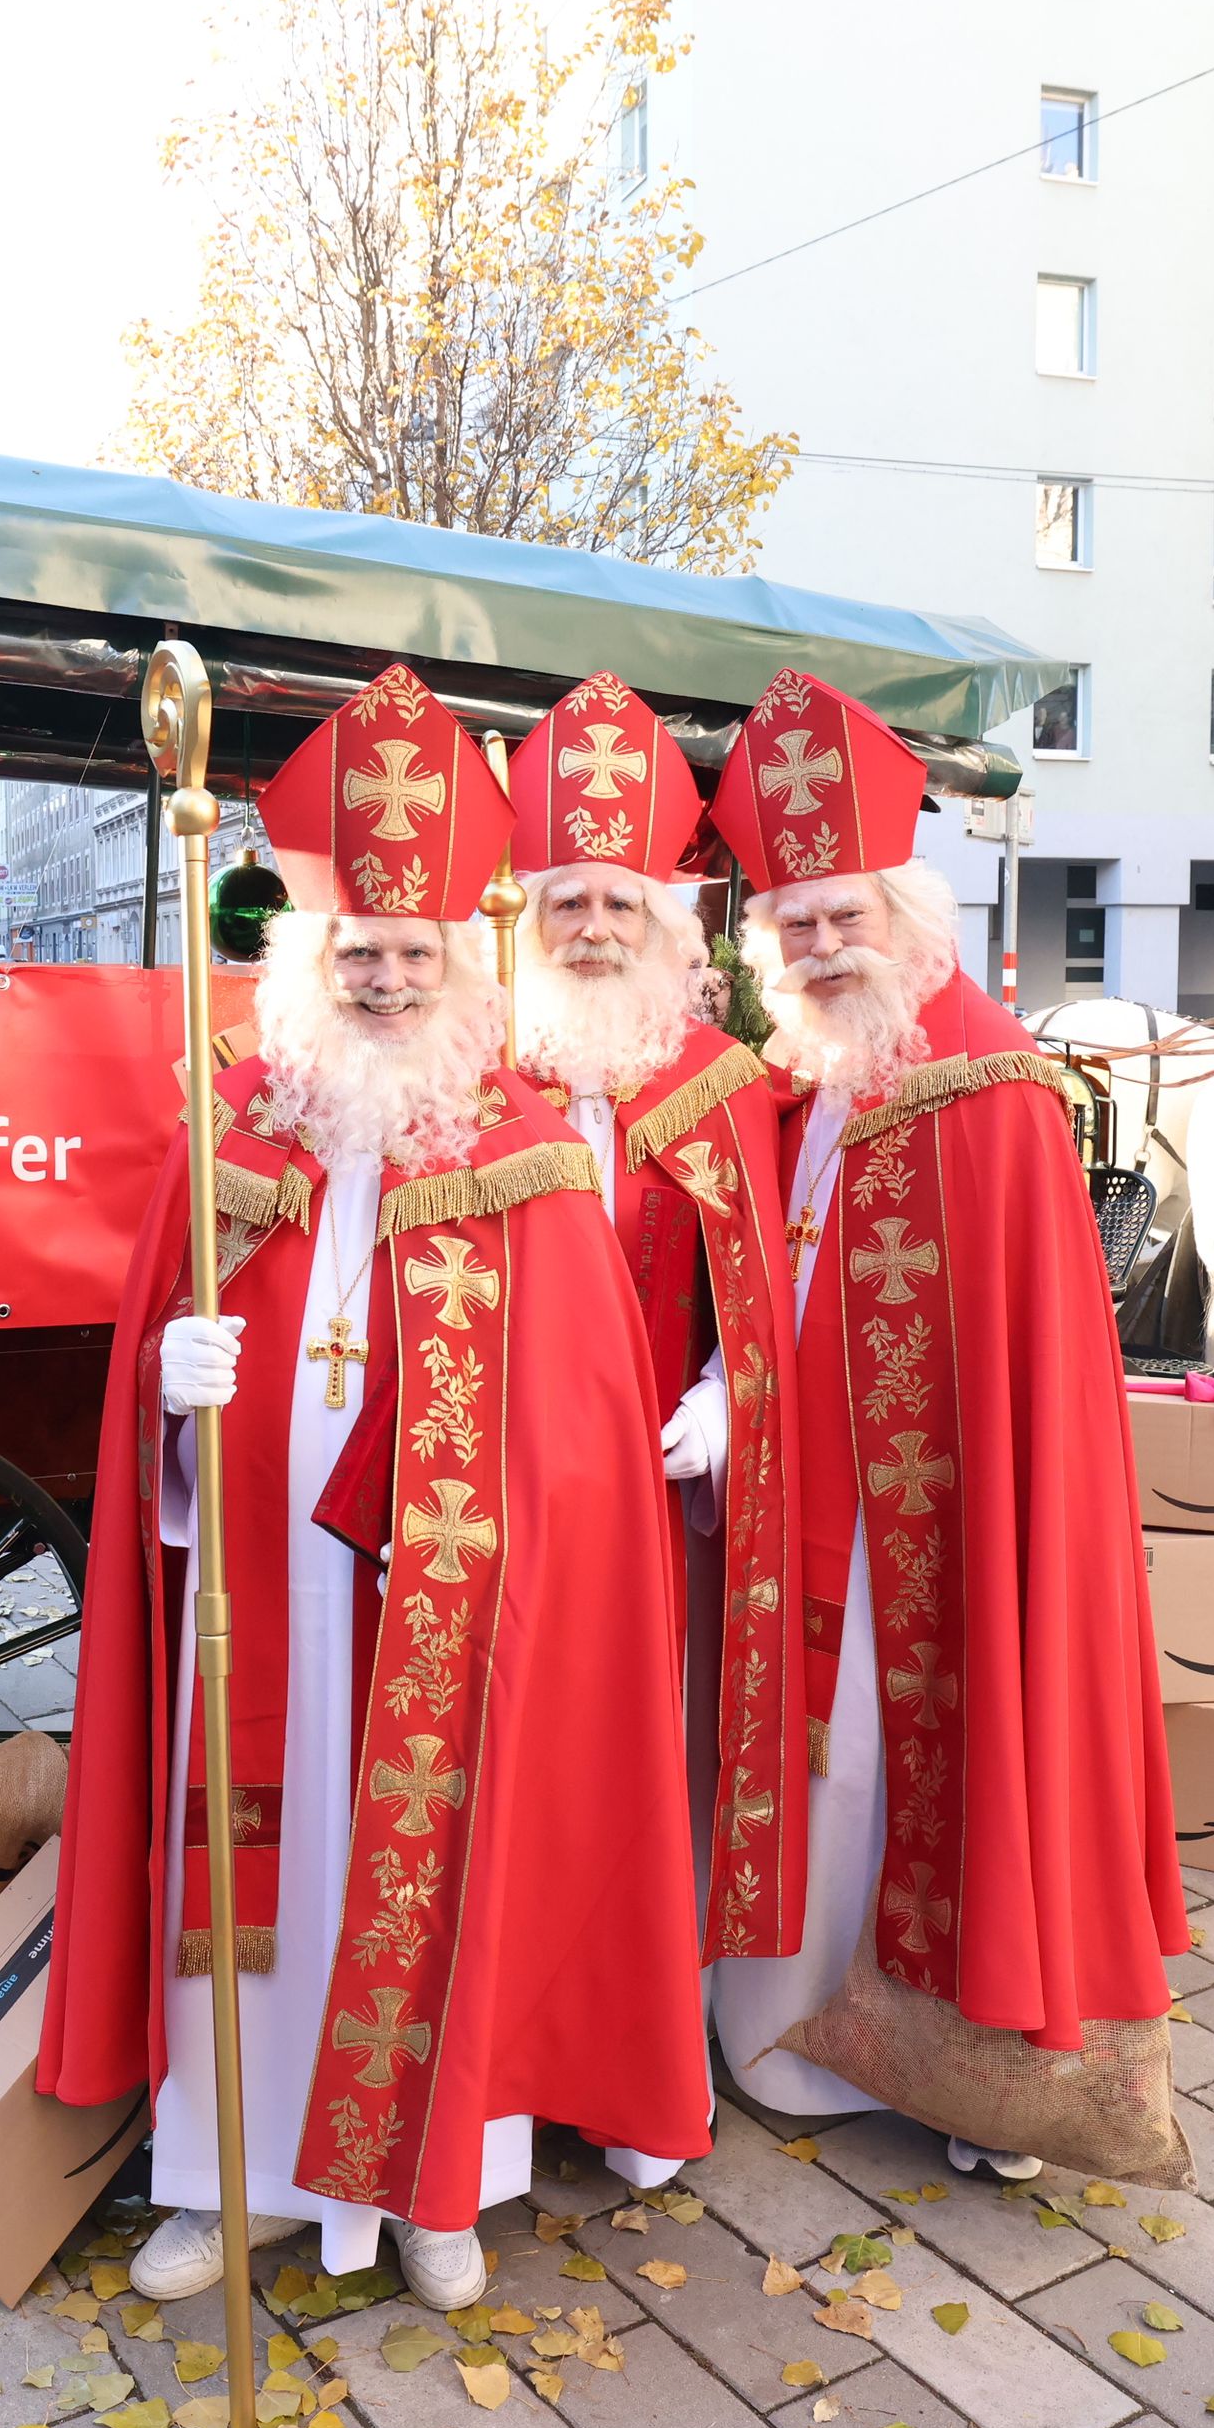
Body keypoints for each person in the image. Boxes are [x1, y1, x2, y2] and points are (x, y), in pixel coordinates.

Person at [42, 664, 708, 2309]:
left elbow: (578, 1430)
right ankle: (225, 2175)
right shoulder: (236, 1137)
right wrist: (171, 1405)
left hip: (443, 1610)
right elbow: (154, 1402)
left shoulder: (527, 1152)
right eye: (362, 953)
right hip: (252, 1586)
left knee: (440, 1867)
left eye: (418, 954)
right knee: (248, 1869)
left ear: (466, 963)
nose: (391, 977)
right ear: (310, 958)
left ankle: (441, 2188)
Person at [698, 669, 1190, 2178]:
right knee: (831, 1780)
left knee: (935, 1758)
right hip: (809, 1517)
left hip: (942, 1526)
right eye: (795, 924)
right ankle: (801, 2026)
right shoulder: (800, 1086)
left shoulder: (987, 1086)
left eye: (846, 917)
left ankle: (973, 2059)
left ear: (910, 918)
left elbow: (1021, 1358)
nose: (823, 945)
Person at [506, 671, 803, 1995]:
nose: (590, 923)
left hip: (657, 1490)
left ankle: (644, 1994)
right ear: (526, 917)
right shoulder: (475, 1077)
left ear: (668, 924)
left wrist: (731, 1394)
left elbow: (760, 1285)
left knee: (649, 1747)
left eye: (619, 899)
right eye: (565, 898)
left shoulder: (720, 1086)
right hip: (504, 1489)